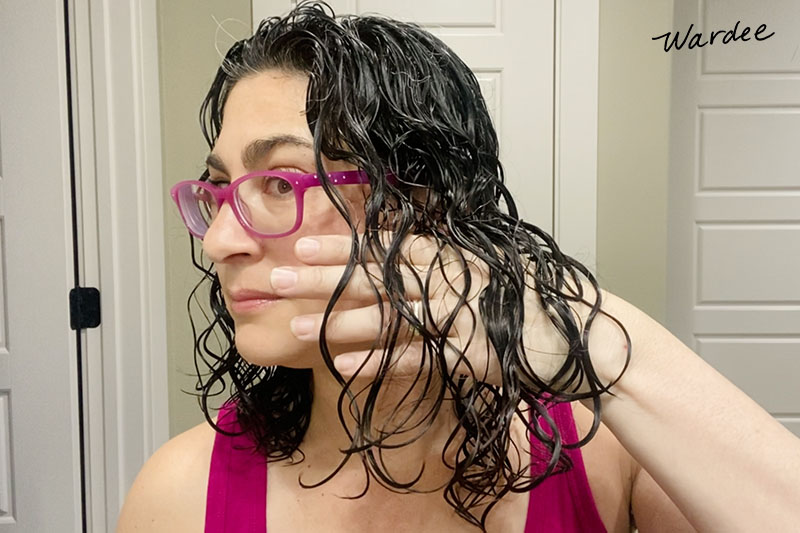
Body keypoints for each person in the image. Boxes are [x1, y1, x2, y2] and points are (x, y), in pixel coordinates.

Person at [117, 2, 800, 532]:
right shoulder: (179, 492)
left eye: (280, 184)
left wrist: (590, 336)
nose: (219, 242)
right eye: (217, 189)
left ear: (422, 207)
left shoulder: (601, 458)